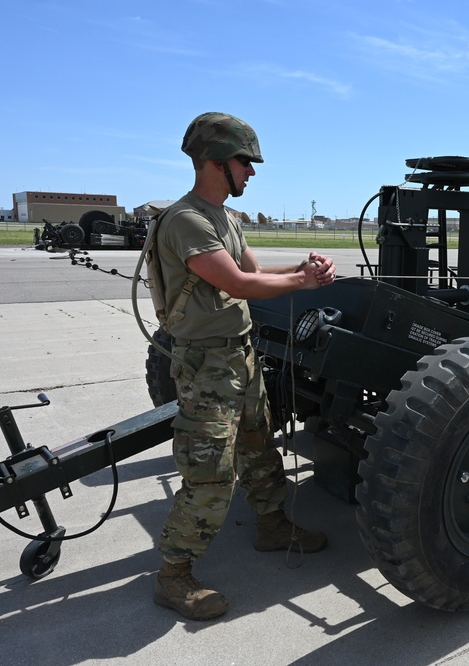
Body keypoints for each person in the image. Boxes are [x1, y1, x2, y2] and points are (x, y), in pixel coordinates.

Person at [152, 112, 337, 621]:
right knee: (211, 472)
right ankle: (173, 575)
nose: (252, 173)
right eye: (244, 163)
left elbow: (255, 271)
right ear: (215, 162)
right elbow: (236, 284)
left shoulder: (226, 220)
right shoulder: (187, 220)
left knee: (259, 444)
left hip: (238, 354)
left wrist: (303, 271)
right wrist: (303, 285)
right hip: (207, 362)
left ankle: (273, 526)